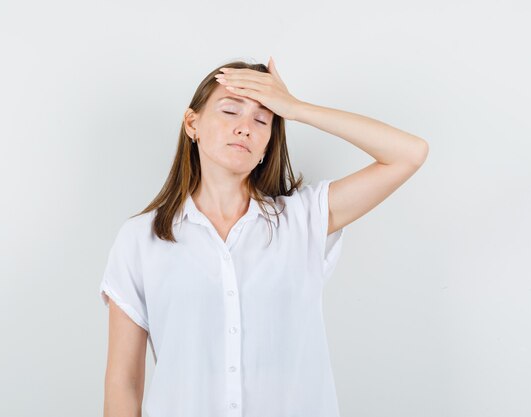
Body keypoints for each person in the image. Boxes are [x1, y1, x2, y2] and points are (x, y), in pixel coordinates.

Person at [99, 56, 429, 417]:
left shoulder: (303, 219)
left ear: (268, 144)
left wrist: (295, 108)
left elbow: (409, 154)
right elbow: (124, 384)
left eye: (261, 119)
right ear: (192, 124)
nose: (245, 128)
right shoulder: (140, 239)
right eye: (229, 112)